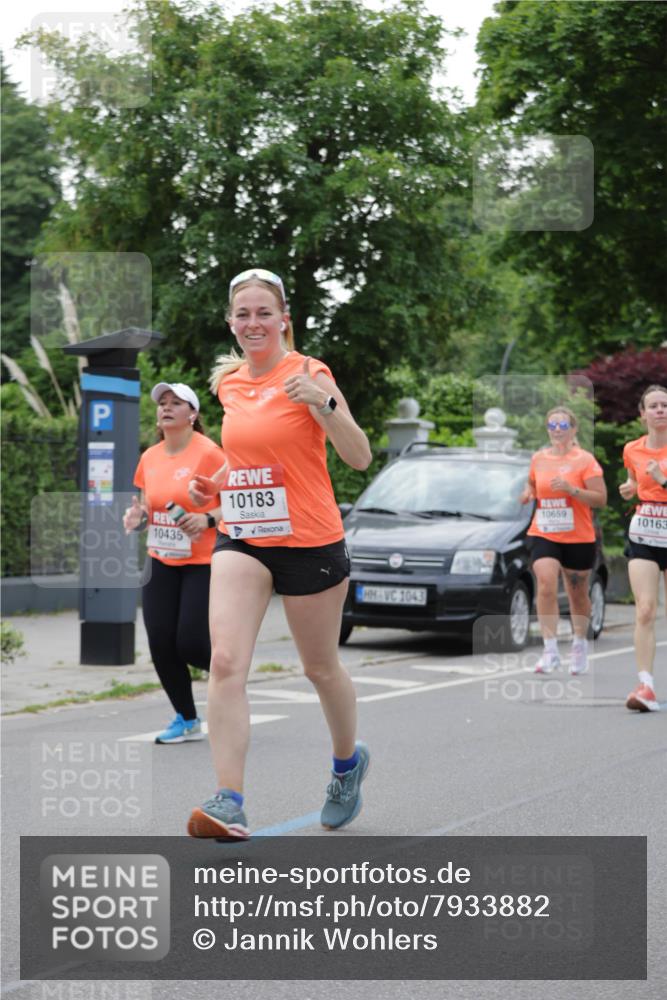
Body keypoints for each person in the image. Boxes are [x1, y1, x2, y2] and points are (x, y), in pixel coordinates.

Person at [185, 267, 372, 840]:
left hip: (310, 540)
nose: (253, 322)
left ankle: (346, 766)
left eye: (264, 312)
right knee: (224, 662)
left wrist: (325, 404)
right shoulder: (230, 384)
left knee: (319, 668)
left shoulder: (310, 374)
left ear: (283, 319)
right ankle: (229, 800)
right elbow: (248, 457)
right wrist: (215, 485)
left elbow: (359, 456)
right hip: (244, 536)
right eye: (243, 314)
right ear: (231, 323)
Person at [123, 382, 223, 743]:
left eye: (176, 402)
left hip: (203, 561)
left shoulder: (210, 454)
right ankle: (187, 718)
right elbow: (147, 508)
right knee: (161, 642)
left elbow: (236, 504)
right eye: (162, 402)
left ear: (192, 414)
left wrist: (206, 519)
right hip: (161, 559)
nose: (166, 407)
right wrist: (137, 519)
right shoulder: (149, 457)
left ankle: (231, 673)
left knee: (191, 642)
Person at [520, 406, 607, 675]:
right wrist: (528, 492)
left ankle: (579, 643)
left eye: (563, 425)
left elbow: (600, 499)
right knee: (546, 582)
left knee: (577, 592)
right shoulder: (538, 458)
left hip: (578, 535)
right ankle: (550, 650)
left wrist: (572, 490)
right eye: (552, 425)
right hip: (544, 531)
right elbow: (532, 483)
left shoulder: (585, 460)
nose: (557, 430)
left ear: (573, 429)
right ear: (547, 429)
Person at [619, 384, 667, 713]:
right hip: (645, 532)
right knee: (645, 610)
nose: (660, 410)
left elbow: (658, 481)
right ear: (642, 414)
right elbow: (635, 483)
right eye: (654, 406)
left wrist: (663, 480)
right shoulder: (632, 450)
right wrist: (630, 488)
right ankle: (645, 686)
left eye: (665, 405)